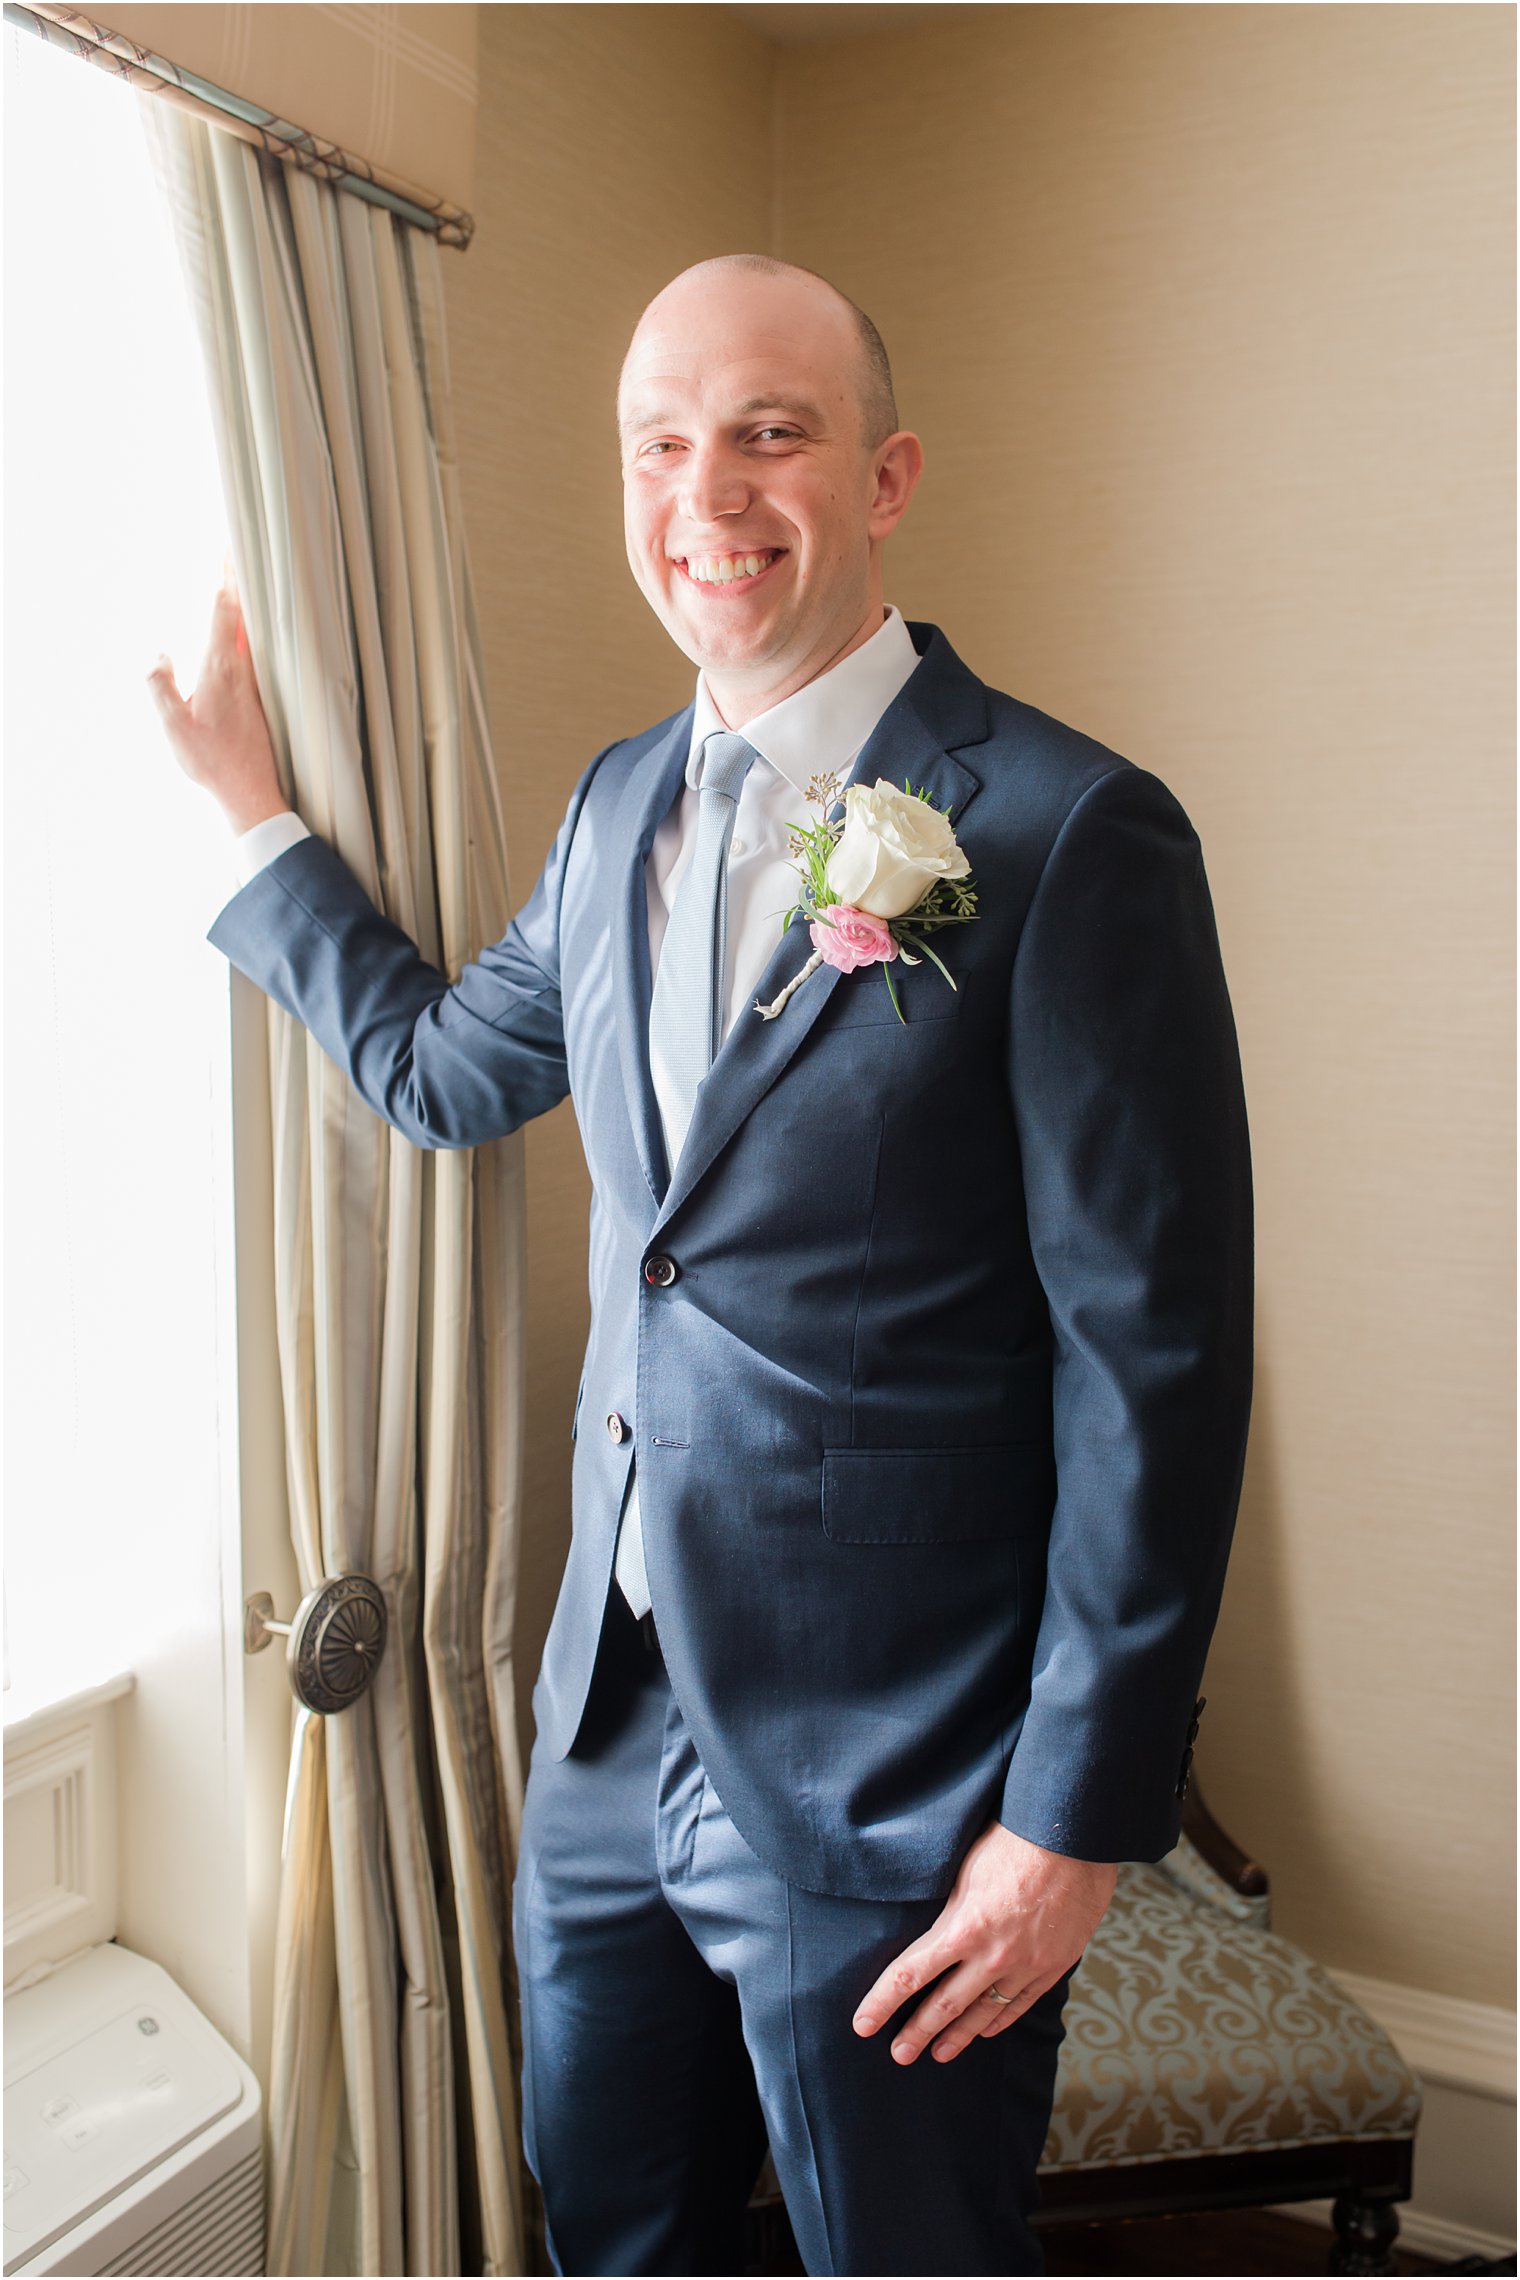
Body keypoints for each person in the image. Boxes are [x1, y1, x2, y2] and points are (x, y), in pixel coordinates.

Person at [151, 254, 1253, 2278]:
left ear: (886, 471)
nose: (707, 496)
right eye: (661, 444)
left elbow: (1152, 1369)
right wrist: (252, 829)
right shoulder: (609, 812)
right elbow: (433, 1075)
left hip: (900, 1773)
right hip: (603, 1739)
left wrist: (1070, 1825)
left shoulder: (1069, 833)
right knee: (614, 2235)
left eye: (771, 432)